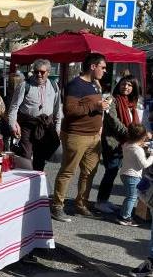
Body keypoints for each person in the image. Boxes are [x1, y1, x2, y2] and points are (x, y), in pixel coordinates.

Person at [51, 53, 109, 222]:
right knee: (68, 171)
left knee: (89, 172)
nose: (105, 71)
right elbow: (70, 111)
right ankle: (57, 206)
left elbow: (92, 107)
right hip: (76, 135)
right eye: (103, 67)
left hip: (94, 137)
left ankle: (81, 203)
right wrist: (96, 105)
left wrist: (101, 109)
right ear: (93, 66)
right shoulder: (75, 85)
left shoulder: (95, 85)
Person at [96, 75, 149, 214]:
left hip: (127, 143)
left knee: (116, 171)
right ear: (119, 85)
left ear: (134, 88)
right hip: (114, 143)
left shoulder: (133, 103)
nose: (126, 87)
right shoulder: (112, 99)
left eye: (130, 85)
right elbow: (113, 121)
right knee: (111, 171)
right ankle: (101, 201)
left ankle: (105, 200)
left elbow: (136, 123)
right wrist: (133, 136)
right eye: (124, 84)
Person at [8, 59, 62, 171]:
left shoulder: (54, 85)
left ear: (48, 72)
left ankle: (37, 179)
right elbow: (13, 107)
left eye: (42, 72)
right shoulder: (24, 85)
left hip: (45, 126)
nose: (39, 74)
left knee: (40, 158)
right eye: (36, 71)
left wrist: (57, 127)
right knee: (25, 156)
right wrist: (13, 124)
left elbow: (57, 108)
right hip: (27, 126)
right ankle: (23, 180)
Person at [117, 123, 153, 226]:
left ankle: (122, 214)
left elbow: (135, 146)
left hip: (124, 173)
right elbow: (144, 164)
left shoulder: (127, 145)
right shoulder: (138, 150)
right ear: (142, 137)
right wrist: (151, 156)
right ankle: (125, 217)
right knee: (132, 197)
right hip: (133, 176)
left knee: (129, 196)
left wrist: (144, 145)